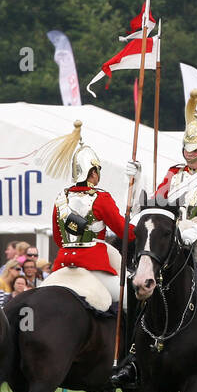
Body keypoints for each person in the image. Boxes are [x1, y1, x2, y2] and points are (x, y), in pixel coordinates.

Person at [112, 90, 197, 389]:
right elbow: (154, 204)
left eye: (196, 149)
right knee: (138, 280)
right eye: (187, 148)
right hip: (170, 241)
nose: (190, 154)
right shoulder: (173, 174)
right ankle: (134, 356)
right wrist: (137, 179)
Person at [41, 120, 130, 307]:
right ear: (93, 172)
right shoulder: (102, 198)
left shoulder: (61, 198)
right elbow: (124, 232)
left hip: (62, 264)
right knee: (130, 299)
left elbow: (59, 239)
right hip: (93, 263)